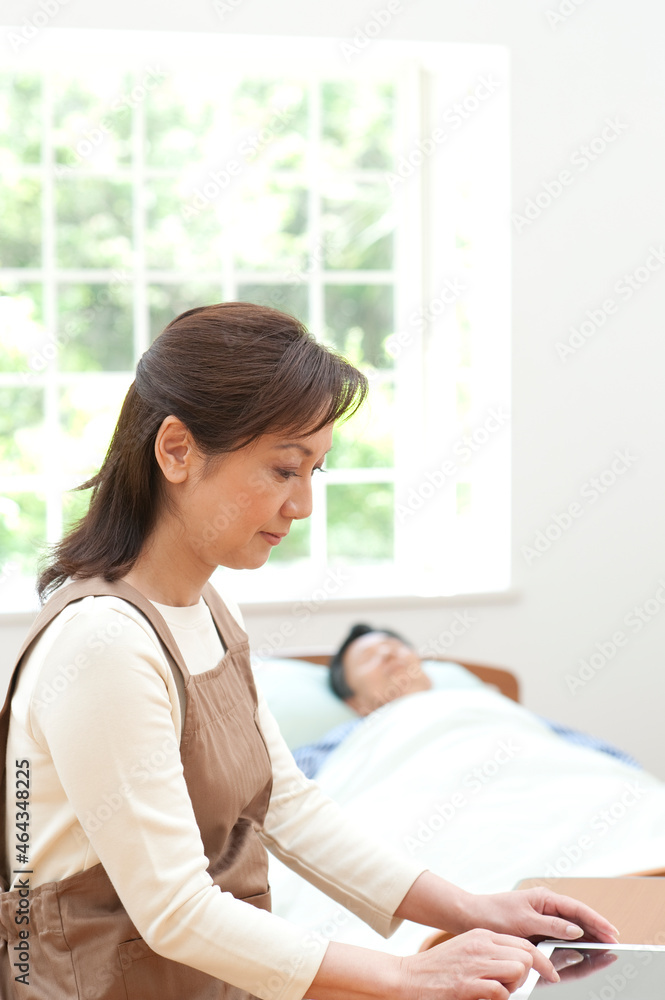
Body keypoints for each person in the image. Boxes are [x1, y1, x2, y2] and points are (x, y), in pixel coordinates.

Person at [0, 303, 617, 1000]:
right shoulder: (104, 642)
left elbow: (285, 804)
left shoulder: (207, 609)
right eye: (283, 470)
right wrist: (403, 975)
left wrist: (469, 908)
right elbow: (175, 912)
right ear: (176, 450)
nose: (303, 506)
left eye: (314, 473)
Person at [293, 623, 640, 780]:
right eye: (369, 657)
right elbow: (283, 789)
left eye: (395, 646)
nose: (387, 653)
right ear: (356, 703)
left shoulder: (484, 704)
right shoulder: (354, 734)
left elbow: (588, 751)